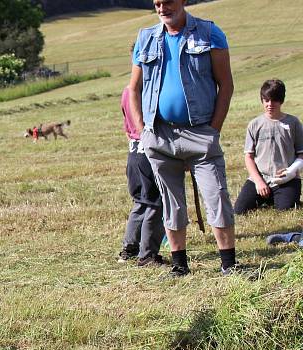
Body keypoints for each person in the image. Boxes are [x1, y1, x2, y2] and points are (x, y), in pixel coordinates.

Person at [128, 0, 238, 276]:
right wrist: (143, 131)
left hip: (200, 133)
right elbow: (134, 89)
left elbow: (226, 84)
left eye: (167, 2)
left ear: (183, 1)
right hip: (159, 135)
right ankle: (179, 265)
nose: (162, 8)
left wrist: (213, 129)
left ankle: (229, 264)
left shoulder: (210, 33)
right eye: (157, 3)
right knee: (171, 202)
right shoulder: (145, 38)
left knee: (216, 196)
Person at [234, 79, 303, 214]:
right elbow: (248, 156)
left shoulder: (293, 123)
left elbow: (302, 153)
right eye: (266, 100)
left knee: (285, 210)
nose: (270, 104)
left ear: (281, 100)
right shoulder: (254, 124)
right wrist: (258, 181)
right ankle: (267, 197)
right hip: (259, 178)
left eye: (274, 100)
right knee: (239, 211)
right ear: (262, 100)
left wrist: (291, 171)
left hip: (286, 180)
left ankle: (280, 198)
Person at [118, 85, 165, 266]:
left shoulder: (127, 91)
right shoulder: (148, 90)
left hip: (134, 153)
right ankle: (148, 255)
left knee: (141, 201)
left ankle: (129, 247)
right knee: (156, 203)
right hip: (148, 152)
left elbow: (125, 122)